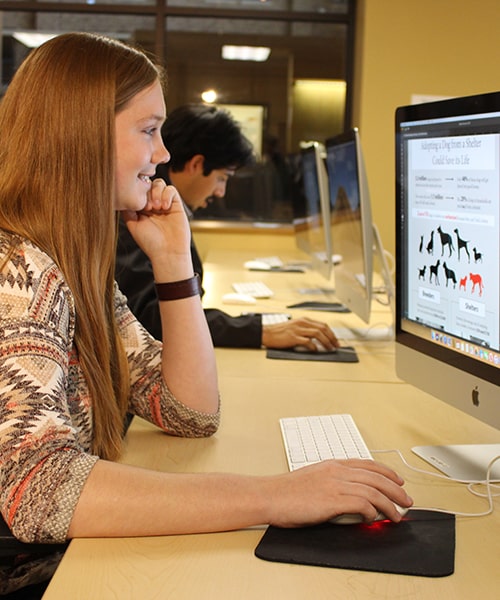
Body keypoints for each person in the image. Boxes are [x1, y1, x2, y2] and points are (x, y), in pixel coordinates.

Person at [0, 33, 412, 595]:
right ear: (82, 137)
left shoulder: (75, 266)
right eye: (149, 131)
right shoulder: (18, 272)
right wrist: (275, 495)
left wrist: (174, 264)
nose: (164, 154)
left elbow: (188, 411)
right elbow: (39, 490)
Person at [116, 104, 340, 351]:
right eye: (222, 178)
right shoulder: (135, 214)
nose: (221, 192)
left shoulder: (159, 207)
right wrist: (259, 331)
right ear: (197, 164)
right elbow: (154, 320)